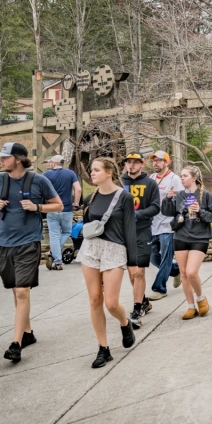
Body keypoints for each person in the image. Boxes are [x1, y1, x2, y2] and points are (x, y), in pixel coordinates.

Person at [0, 143, 64, 362]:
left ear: (17, 159)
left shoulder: (39, 180)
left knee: (22, 291)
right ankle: (27, 333)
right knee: (15, 290)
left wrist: (37, 207)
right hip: (3, 242)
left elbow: (58, 206)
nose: (0, 161)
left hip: (29, 243)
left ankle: (16, 343)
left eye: (4, 157)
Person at [78, 157, 138, 368]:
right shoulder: (89, 199)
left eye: (95, 170)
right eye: (91, 170)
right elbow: (87, 226)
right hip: (91, 250)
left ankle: (124, 322)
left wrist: (133, 262)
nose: (91, 173)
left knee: (111, 302)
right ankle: (103, 348)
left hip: (115, 250)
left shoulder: (124, 197)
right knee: (95, 299)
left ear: (108, 172)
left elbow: (130, 230)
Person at [160, 166, 212, 320]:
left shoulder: (205, 195)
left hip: (200, 238)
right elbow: (167, 212)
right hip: (180, 237)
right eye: (181, 175)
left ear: (194, 178)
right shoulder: (178, 195)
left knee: (192, 272)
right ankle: (190, 306)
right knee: (184, 274)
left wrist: (200, 210)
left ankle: (200, 298)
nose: (182, 178)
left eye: (185, 175)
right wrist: (167, 199)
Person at [121, 152, 160, 328]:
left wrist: (137, 214)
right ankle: (143, 300)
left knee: (139, 272)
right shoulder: (119, 183)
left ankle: (136, 310)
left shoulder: (150, 184)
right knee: (131, 273)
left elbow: (156, 207)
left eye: (136, 163)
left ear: (142, 164)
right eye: (129, 162)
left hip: (142, 231)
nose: (132, 165)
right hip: (122, 233)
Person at [146, 151, 183, 301]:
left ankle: (159, 288)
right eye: (154, 161)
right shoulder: (151, 178)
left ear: (167, 163)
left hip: (168, 225)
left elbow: (184, 199)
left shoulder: (174, 179)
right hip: (153, 224)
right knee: (152, 256)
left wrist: (173, 197)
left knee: (166, 258)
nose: (156, 163)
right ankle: (176, 270)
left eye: (160, 161)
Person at [42, 154, 82, 271]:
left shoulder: (46, 175)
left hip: (52, 208)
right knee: (67, 231)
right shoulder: (70, 173)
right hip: (67, 209)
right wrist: (76, 202)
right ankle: (54, 254)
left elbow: (41, 191)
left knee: (54, 235)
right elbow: (78, 189)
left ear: (53, 163)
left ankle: (58, 262)